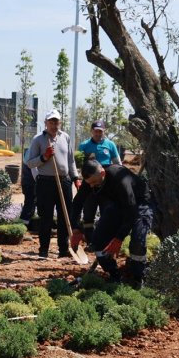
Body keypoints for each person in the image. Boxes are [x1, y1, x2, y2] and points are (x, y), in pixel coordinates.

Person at [70, 158, 154, 288]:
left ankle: (138, 278)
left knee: (137, 242)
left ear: (102, 173)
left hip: (139, 204)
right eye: (89, 183)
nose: (91, 186)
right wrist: (75, 228)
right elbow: (77, 203)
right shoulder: (91, 180)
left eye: (94, 182)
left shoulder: (120, 178)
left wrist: (119, 238)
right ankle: (115, 275)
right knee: (98, 240)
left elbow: (131, 211)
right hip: (117, 205)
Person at [25, 109, 80, 258]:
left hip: (64, 182)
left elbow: (70, 160)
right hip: (46, 182)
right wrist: (44, 157)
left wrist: (75, 178)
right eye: (51, 122)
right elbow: (29, 162)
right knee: (46, 218)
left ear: (60, 123)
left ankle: (63, 250)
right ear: (46, 123)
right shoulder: (38, 140)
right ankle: (44, 250)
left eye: (56, 122)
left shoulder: (65, 137)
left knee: (65, 217)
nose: (54, 125)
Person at [77, 120, 121, 244]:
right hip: (90, 184)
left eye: (100, 131)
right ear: (92, 131)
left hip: (106, 184)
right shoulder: (84, 146)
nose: (98, 133)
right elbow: (79, 164)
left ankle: (104, 240)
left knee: (106, 211)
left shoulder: (110, 145)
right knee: (88, 212)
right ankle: (90, 241)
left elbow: (117, 163)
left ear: (104, 131)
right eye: (96, 131)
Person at [19, 160, 37, 232]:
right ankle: (24, 227)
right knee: (29, 204)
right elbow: (34, 171)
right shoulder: (32, 154)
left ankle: (27, 226)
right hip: (30, 183)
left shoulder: (30, 152)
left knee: (31, 204)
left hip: (29, 183)